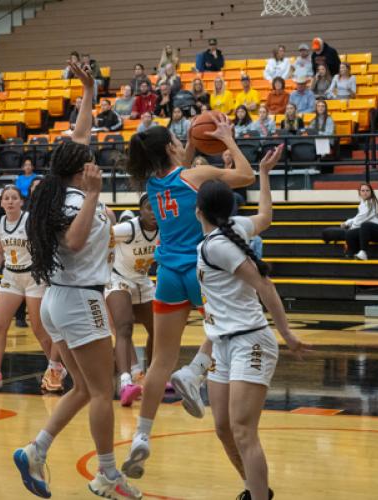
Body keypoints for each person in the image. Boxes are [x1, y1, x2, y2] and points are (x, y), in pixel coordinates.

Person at [13, 63, 141, 499]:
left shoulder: (58, 187)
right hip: (79, 301)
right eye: (88, 162)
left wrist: (88, 90)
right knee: (103, 389)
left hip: (59, 300)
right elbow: (72, 240)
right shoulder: (73, 199)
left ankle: (36, 449)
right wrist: (91, 197)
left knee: (86, 387)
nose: (92, 161)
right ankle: (107, 474)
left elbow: (80, 135)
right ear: (77, 171)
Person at [121, 115, 256, 480]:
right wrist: (228, 139)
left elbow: (179, 166)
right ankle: (195, 371)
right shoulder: (193, 176)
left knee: (159, 361)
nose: (184, 144)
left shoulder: (152, 184)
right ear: (169, 148)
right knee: (227, 326)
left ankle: (141, 435)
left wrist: (191, 146)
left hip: (166, 276)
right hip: (200, 270)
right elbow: (246, 176)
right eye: (178, 142)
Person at [196, 147, 308, 500]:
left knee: (243, 430)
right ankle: (255, 488)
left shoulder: (216, 246)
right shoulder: (235, 228)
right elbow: (266, 217)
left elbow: (265, 283)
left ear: (197, 210)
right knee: (223, 427)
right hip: (224, 344)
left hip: (250, 340)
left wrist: (286, 331)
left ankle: (258, 495)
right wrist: (262, 173)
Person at [0, 185, 65, 393]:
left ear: (21, 202)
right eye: (6, 198)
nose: (10, 201)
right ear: (1, 203)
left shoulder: (30, 220)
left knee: (40, 329)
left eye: (14, 198)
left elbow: (46, 245)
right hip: (11, 276)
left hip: (33, 276)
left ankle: (55, 368)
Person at [106, 194, 158, 407]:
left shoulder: (164, 229)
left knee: (158, 330)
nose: (153, 212)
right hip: (118, 278)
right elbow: (100, 238)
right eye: (148, 208)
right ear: (140, 210)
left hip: (142, 280)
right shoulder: (127, 229)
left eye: (156, 208)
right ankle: (126, 381)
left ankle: (153, 376)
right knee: (124, 327)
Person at [322, 183, 378, 260]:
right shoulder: (363, 203)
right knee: (351, 233)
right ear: (359, 193)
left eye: (367, 190)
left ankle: (363, 252)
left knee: (364, 226)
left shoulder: (372, 202)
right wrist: (347, 223)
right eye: (363, 191)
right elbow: (358, 217)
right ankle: (351, 253)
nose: (365, 192)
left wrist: (350, 226)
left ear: (371, 192)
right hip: (371, 232)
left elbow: (360, 220)